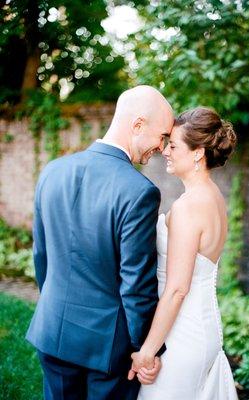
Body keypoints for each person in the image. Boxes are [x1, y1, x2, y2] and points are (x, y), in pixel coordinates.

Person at [26, 85, 174, 400]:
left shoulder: (52, 172)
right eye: (162, 136)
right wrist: (144, 349)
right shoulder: (139, 192)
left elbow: (41, 258)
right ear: (137, 125)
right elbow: (136, 285)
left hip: (53, 331)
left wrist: (57, 308)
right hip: (107, 350)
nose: (162, 148)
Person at [129, 107, 239, 399]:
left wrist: (147, 352)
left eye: (174, 145)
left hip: (181, 335)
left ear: (197, 153)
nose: (165, 150)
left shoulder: (188, 206)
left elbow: (177, 288)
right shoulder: (213, 196)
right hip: (204, 326)